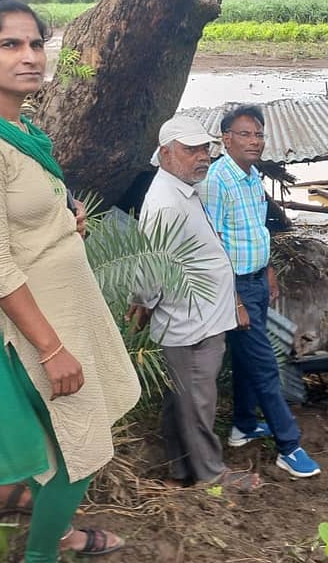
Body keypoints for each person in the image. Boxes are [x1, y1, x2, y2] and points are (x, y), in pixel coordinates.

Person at [0, 0, 141, 562]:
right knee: (78, 452)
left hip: (68, 310)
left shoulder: (15, 129)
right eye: (10, 45)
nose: (30, 57)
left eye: (36, 43)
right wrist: (50, 349)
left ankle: (57, 538)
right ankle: (43, 555)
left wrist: (65, 218)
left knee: (67, 445)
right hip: (39, 331)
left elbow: (26, 208)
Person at [128, 116, 261, 491]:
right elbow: (152, 270)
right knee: (199, 400)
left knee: (181, 400)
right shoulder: (166, 203)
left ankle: (180, 470)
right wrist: (144, 302)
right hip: (189, 321)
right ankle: (210, 475)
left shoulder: (183, 188)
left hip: (200, 317)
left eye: (204, 149)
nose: (202, 157)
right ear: (166, 153)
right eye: (191, 150)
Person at [199, 105, 320, 478]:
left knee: (249, 360)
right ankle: (289, 445)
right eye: (246, 134)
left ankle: (243, 426)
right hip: (234, 287)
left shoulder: (251, 177)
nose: (255, 142)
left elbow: (255, 229)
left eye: (259, 135)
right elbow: (212, 243)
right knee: (265, 364)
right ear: (226, 138)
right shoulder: (217, 179)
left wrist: (267, 269)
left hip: (255, 281)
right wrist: (233, 297)